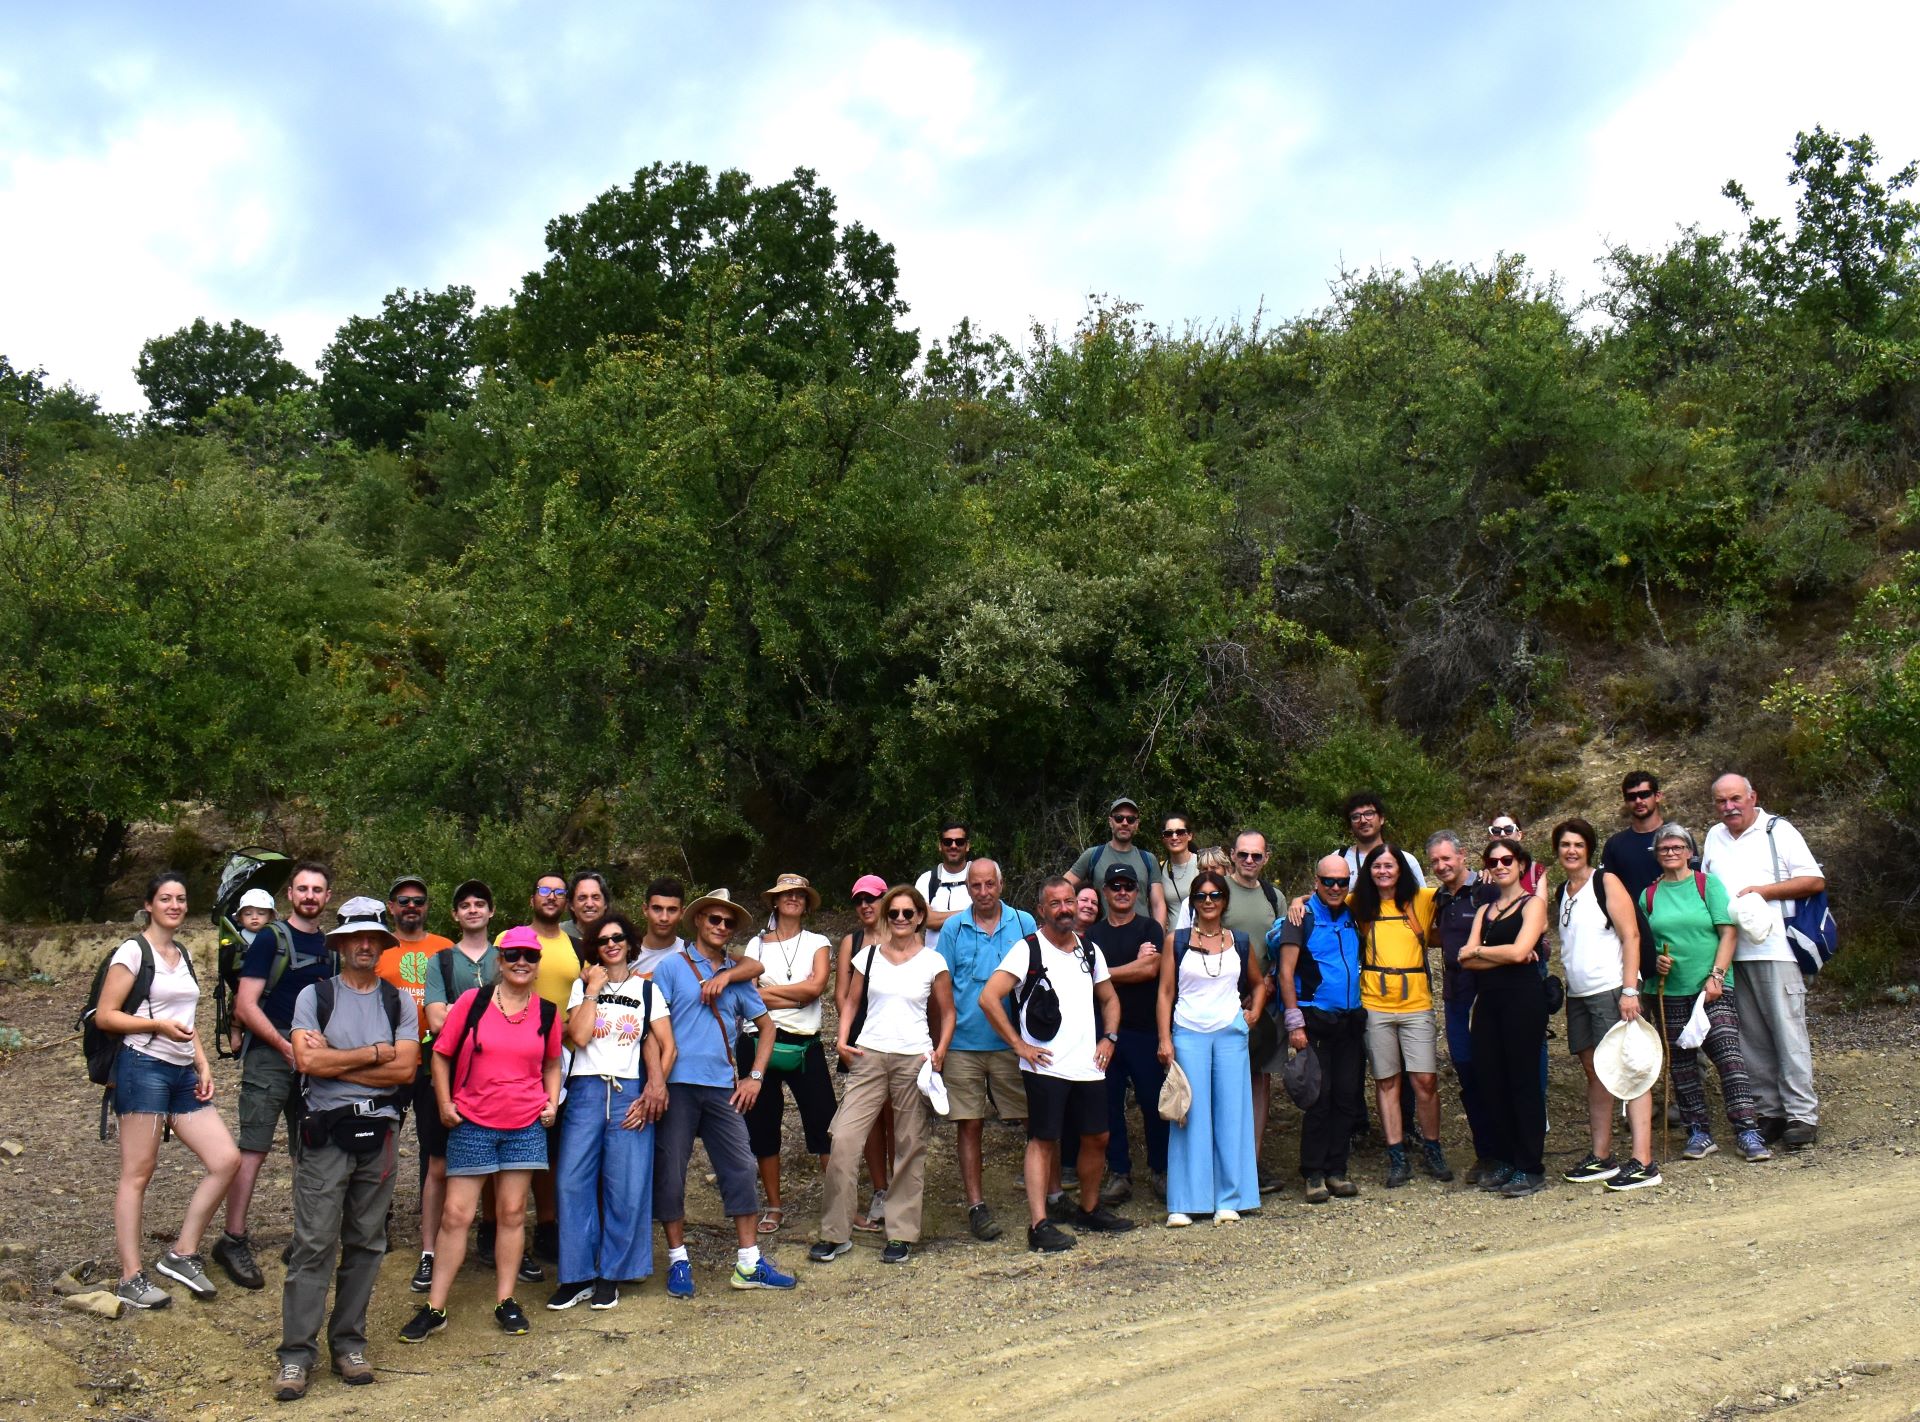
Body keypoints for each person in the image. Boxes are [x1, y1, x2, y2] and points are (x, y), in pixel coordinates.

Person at [276, 897, 419, 1401]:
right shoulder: (315, 997)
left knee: (366, 1241)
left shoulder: (399, 1002)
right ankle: (296, 1355)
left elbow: (405, 1070)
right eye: (354, 937)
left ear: (383, 945)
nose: (364, 945)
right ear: (338, 943)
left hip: (379, 1134)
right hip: (325, 1134)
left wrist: (337, 1060)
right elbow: (305, 1063)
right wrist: (374, 1055)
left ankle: (348, 1345)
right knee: (314, 1241)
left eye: (373, 938)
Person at [401, 925, 564, 1343]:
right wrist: (443, 1103)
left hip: (524, 1123)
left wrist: (551, 1102)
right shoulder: (473, 1003)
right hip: (473, 1119)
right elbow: (440, 1054)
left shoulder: (547, 1012)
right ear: (500, 961)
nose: (522, 962)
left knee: (511, 1213)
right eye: (513, 956)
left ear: (537, 963)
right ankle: (435, 1307)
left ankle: (506, 1300)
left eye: (530, 956)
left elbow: (551, 1063)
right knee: (457, 1215)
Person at [96, 872, 240, 1311]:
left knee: (225, 1159)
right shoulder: (132, 952)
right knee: (138, 1172)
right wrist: (156, 1026)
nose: (175, 905)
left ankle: (181, 1252)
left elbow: (187, 1017)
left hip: (181, 1075)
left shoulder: (181, 954)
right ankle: (129, 1276)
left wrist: (201, 1062)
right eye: (166, 899)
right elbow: (106, 1016)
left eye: (180, 898)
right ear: (149, 904)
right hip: (142, 1068)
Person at [650, 889, 796, 1296]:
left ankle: (748, 1262)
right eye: (713, 919)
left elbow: (767, 1026)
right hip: (678, 1084)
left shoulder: (736, 972)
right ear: (697, 921)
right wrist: (656, 1080)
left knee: (740, 1167)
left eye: (728, 922)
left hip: (723, 1087)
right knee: (672, 1172)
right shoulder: (671, 968)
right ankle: (678, 1261)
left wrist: (755, 1076)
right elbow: (651, 1027)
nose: (720, 927)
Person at [977, 877, 1134, 1253]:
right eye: (1056, 904)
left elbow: (1110, 999)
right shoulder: (1027, 949)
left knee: (1098, 1137)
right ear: (1042, 910)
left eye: (1069, 901)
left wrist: (1109, 1038)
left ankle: (1090, 1208)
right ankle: (1039, 1224)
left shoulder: (1090, 950)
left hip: (1088, 1064)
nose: (1064, 909)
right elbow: (989, 998)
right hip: (1045, 1064)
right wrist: (1019, 1046)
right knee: (1044, 1140)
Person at [810, 885, 955, 1266]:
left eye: (909, 913)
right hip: (869, 1056)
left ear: (921, 917)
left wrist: (940, 1050)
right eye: (895, 913)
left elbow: (947, 1011)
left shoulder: (933, 962)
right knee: (843, 1139)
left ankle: (901, 1233)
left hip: (913, 1059)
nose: (902, 919)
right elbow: (851, 1000)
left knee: (909, 1147)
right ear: (887, 917)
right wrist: (842, 1038)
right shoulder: (868, 956)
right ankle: (835, 1233)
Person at [215, 860, 336, 1293]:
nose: (309, 896)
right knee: (253, 1147)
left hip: (312, 1058)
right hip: (270, 1054)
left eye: (317, 890)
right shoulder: (270, 939)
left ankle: (305, 1237)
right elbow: (246, 1004)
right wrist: (285, 1046)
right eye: (302, 888)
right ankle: (233, 1239)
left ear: (326, 897)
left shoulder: (330, 946)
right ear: (291, 895)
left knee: (311, 1148)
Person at [549, 913, 675, 1312]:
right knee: (572, 1182)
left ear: (630, 942)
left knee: (625, 1186)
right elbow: (580, 1036)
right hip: (586, 1090)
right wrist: (592, 990)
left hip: (628, 1092)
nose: (612, 944)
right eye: (603, 940)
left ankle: (611, 1275)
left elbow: (666, 1045)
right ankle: (577, 1276)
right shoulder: (581, 986)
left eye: (618, 937)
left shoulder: (647, 990)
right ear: (594, 947)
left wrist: (656, 1088)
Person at [1701, 774, 1826, 1150]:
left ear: (1752, 796)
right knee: (1751, 1038)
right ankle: (1770, 1112)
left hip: (1776, 949)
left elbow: (1813, 880)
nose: (1729, 807)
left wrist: (1763, 891)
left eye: (1735, 799)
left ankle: (1801, 1115)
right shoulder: (1713, 837)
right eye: (1721, 801)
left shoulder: (1778, 831)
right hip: (1734, 954)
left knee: (1788, 1035)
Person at [1642, 824, 1772, 1163]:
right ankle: (1698, 1132)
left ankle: (1747, 1131)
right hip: (1667, 990)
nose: (1670, 852)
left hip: (1710, 988)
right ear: (1656, 854)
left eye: (1676, 847)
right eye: (1663, 848)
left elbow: (1728, 933)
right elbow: (1643, 943)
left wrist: (1717, 975)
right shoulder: (1649, 895)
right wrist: (1654, 961)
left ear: (1689, 851)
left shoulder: (1707, 885)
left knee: (1728, 1056)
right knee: (1681, 1064)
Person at [1549, 819, 1659, 1191]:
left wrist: (1631, 990)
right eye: (1565, 844)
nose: (1571, 851)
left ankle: (1644, 1161)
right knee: (1597, 1072)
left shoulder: (1605, 882)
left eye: (1578, 844)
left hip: (1612, 989)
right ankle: (1602, 1156)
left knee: (1630, 1068)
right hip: (1579, 993)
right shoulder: (1563, 890)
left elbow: (1630, 935)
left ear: (1589, 848)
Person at [936, 858, 1036, 1241]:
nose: (982, 893)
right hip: (963, 1042)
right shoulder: (952, 928)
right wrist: (940, 1042)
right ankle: (976, 1206)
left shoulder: (1024, 923)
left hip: (1016, 1043)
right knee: (969, 1124)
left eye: (988, 885)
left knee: (1033, 1118)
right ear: (967, 888)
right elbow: (941, 989)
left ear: (1001, 883)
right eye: (975, 886)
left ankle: (1050, 1194)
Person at [1157, 868, 1262, 1224]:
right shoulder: (1177, 940)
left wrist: (1253, 1014)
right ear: (1193, 901)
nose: (1208, 902)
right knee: (1189, 1114)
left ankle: (1230, 1199)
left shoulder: (1239, 941)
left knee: (1233, 1115)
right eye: (1201, 896)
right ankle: (1186, 1201)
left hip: (1230, 1033)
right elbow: (1165, 993)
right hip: (1188, 1031)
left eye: (1215, 896)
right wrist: (1165, 1038)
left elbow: (1259, 984)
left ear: (1224, 900)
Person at [417, 880, 504, 1292]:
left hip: (496, 1075)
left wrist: (457, 1011)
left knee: (496, 1162)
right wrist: (481, 1016)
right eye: (464, 904)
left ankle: (492, 1238)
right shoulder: (441, 961)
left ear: (490, 913)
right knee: (437, 1164)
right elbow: (435, 1021)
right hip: (447, 1073)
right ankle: (428, 1252)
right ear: (454, 915)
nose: (472, 910)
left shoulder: (505, 958)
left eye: (479, 904)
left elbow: (515, 1015)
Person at [1349, 845, 1451, 1186]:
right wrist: (1295, 902)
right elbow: (1319, 899)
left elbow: (1460, 887)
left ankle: (1432, 1147)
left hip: (1416, 1004)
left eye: (1389, 865)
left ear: (1401, 869)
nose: (1382, 871)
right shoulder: (1359, 904)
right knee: (1386, 1080)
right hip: (1375, 1003)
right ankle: (1395, 1153)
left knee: (1425, 1081)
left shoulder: (1421, 900)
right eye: (1376, 866)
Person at [740, 874, 835, 1236]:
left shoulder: (819, 941)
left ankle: (836, 1204)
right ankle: (774, 1206)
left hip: (804, 1042)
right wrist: (794, 994)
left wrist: (770, 991)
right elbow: (748, 994)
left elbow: (816, 989)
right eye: (786, 894)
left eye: (799, 894)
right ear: (775, 902)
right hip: (757, 1040)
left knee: (826, 1123)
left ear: (806, 903)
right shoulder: (755, 945)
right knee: (763, 1126)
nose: (793, 899)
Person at [1457, 842, 1552, 1196]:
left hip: (1523, 1001)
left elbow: (1519, 951)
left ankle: (1531, 1167)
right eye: (1493, 861)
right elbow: (1465, 961)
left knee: (1523, 1081)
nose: (1500, 866)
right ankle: (1507, 1159)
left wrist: (1480, 950)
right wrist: (1498, 956)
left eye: (1507, 860)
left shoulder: (1534, 904)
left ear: (1521, 864)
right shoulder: (1485, 910)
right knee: (1491, 1081)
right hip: (1488, 1001)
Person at [375, 874, 453, 1290]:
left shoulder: (444, 949)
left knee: (432, 1149)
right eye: (403, 900)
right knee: (380, 1141)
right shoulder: (380, 947)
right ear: (391, 907)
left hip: (432, 1061)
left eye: (418, 901)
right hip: (387, 1058)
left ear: (427, 906)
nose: (411, 906)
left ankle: (431, 1239)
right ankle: (375, 1222)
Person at [1273, 855, 1365, 1203]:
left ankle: (1336, 1170)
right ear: (1317, 881)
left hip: (1350, 1019)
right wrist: (1294, 1022)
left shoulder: (1352, 915)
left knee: (1346, 1097)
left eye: (1342, 882)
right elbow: (1285, 972)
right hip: (1314, 1020)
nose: (1336, 888)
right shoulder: (1302, 917)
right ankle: (1313, 1173)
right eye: (1329, 881)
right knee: (1319, 1097)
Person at [1083, 863, 1168, 1204]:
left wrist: (1103, 973)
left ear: (1137, 892)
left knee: (1153, 1104)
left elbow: (1151, 969)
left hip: (1145, 1030)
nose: (1122, 892)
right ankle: (1119, 1173)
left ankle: (1160, 1171)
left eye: (1128, 886)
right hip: (1105, 1033)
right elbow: (1084, 978)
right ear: (1105, 892)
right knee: (1109, 1106)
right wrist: (1127, 969)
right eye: (1115, 886)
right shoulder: (1092, 936)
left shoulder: (1150, 928)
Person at [1425, 832, 1501, 1183]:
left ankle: (1508, 1155)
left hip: (1488, 997)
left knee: (1494, 1076)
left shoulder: (1487, 889)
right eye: (1435, 861)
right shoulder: (1440, 898)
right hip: (1456, 1000)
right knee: (1469, 1079)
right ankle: (1485, 1154)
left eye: (1447, 859)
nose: (1441, 866)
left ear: (1462, 856)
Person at [1222, 829, 1285, 1189]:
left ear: (1266, 858)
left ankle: (1254, 1164)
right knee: (1227, 1082)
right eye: (1243, 855)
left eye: (1256, 856)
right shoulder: (1219, 891)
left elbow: (1279, 944)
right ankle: (1228, 1164)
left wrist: (1271, 979)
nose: (1249, 861)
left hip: (1266, 1001)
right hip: (1224, 1002)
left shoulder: (1273, 896)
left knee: (1260, 1080)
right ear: (1232, 855)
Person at [835, 874, 892, 1231]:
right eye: (859, 901)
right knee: (870, 1120)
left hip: (899, 1039)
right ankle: (881, 1189)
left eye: (872, 899)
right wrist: (847, 1037)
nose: (865, 906)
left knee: (897, 1118)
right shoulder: (851, 942)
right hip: (860, 1041)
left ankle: (900, 1189)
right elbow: (842, 994)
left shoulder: (904, 937)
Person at [1067, 797, 1169, 924]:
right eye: (1119, 818)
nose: (1125, 823)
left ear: (1136, 824)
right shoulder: (1093, 855)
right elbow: (1063, 888)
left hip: (1141, 937)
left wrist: (1157, 937)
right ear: (1110, 821)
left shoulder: (1148, 859)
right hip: (1102, 937)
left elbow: (1158, 904)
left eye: (1130, 819)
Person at [1600, 771, 1685, 900]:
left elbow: (1695, 880)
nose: (1638, 801)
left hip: (1676, 916)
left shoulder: (1678, 836)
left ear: (1657, 796)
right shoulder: (1615, 845)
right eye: (1631, 797)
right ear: (1625, 801)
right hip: (1632, 918)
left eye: (1644, 794)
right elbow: (1606, 890)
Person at [229, 888, 277, 1055]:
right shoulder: (238, 938)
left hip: (269, 981)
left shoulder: (274, 936)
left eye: (261, 913)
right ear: (241, 918)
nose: (254, 917)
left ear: (270, 916)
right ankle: (235, 1031)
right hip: (243, 981)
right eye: (248, 914)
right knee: (237, 1000)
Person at [1342, 792, 1426, 888]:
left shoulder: (1406, 860)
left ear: (1381, 819)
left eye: (1369, 814)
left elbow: (1421, 899)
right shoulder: (1338, 859)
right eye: (1356, 817)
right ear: (1350, 826)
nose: (1363, 820)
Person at [915, 821, 975, 938]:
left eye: (959, 842)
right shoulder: (926, 879)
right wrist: (971, 914)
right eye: (948, 842)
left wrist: (939, 917)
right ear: (940, 846)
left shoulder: (980, 875)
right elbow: (924, 920)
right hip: (935, 955)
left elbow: (990, 915)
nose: (953, 846)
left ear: (967, 846)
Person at [632, 878, 686, 976]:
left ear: (682, 913)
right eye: (657, 909)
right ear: (645, 909)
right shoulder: (626, 955)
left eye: (672, 910)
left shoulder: (691, 955)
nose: (664, 918)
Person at [1158, 812, 1200, 931]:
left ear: (1190, 835)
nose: (1174, 837)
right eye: (1168, 833)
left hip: (1201, 940)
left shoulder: (1203, 864)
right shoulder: (1161, 869)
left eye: (1180, 832)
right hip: (1174, 942)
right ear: (1163, 838)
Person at [1488, 816, 1545, 895]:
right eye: (1496, 831)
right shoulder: (1486, 875)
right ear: (1491, 837)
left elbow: (1541, 905)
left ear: (1519, 835)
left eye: (1508, 829)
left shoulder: (1535, 870)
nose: (1502, 834)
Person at [560, 871, 610, 947]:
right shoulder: (559, 933)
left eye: (595, 897)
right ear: (571, 905)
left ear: (605, 903)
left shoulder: (618, 936)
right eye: (582, 898)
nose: (589, 904)